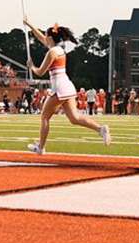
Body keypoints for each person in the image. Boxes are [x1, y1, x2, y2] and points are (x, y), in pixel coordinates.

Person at [22, 19, 109, 155]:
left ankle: (41, 148)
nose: (44, 37)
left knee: (44, 117)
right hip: (67, 86)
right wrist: (29, 24)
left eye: (46, 35)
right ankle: (100, 129)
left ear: (50, 37)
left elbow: (40, 72)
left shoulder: (52, 53)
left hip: (59, 87)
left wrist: (31, 66)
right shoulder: (58, 49)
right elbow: (40, 36)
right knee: (75, 118)